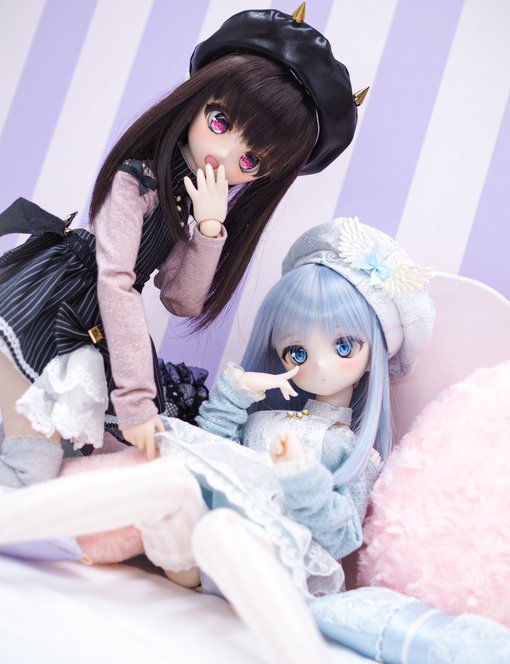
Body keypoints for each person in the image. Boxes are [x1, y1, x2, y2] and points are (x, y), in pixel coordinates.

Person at [0, 216, 435, 664]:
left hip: (272, 563)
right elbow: (211, 452)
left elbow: (341, 536)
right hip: (194, 554)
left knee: (222, 529)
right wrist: (234, 395)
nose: (320, 366)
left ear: (373, 357)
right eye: (297, 352)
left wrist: (302, 478)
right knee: (170, 478)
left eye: (344, 346)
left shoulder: (351, 450)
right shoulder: (262, 420)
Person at [0, 6, 366, 487]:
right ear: (197, 101)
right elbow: (115, 280)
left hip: (91, 317)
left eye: (251, 161)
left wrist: (209, 229)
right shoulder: (137, 179)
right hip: (48, 303)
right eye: (220, 121)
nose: (224, 155)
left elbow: (180, 299)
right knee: (31, 453)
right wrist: (136, 399)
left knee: (45, 453)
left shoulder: (190, 198)